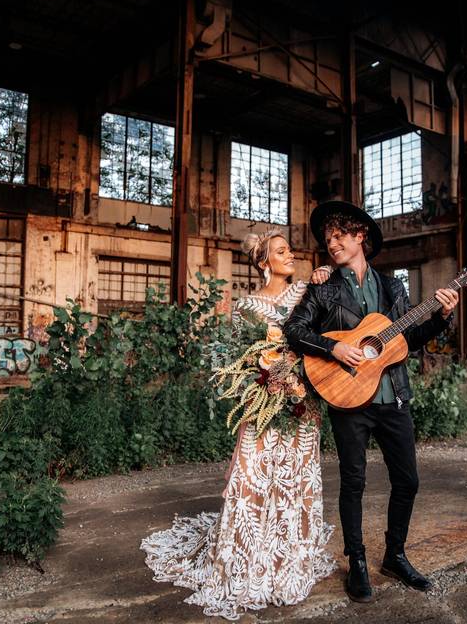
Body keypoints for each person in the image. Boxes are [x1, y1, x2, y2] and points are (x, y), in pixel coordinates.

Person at [140, 230, 335, 620]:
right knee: (253, 476)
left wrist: (326, 271)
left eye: (290, 250)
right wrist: (260, 382)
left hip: (302, 400)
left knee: (295, 478)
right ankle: (248, 557)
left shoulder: (305, 293)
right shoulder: (245, 306)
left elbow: (321, 334)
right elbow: (234, 357)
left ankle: (286, 560)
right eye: (281, 252)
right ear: (264, 263)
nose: (290, 255)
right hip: (263, 401)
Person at [283, 201, 459, 603]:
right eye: (327, 237)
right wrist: (333, 348)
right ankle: (357, 560)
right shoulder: (324, 286)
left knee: (408, 481)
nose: (332, 242)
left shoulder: (392, 287)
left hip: (392, 395)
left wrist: (440, 317)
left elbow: (404, 341)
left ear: (361, 235)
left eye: (340, 234)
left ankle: (395, 554)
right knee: (354, 482)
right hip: (349, 398)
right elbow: (294, 329)